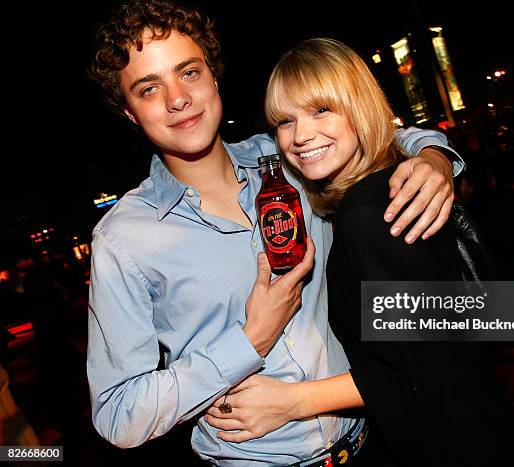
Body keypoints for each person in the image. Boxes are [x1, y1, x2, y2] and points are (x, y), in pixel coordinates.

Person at [86, 1, 465, 465]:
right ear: (129, 113)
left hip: (374, 442)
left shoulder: (293, 153)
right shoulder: (124, 239)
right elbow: (118, 414)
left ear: (213, 75)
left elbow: (364, 129)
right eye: (149, 88)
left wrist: (433, 157)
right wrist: (248, 342)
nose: (177, 99)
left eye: (188, 73)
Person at [205, 38, 514, 466]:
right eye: (284, 121)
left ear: (358, 108)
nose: (301, 136)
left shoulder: (373, 211)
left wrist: (293, 401)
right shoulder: (377, 188)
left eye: (321, 110)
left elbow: (428, 368)